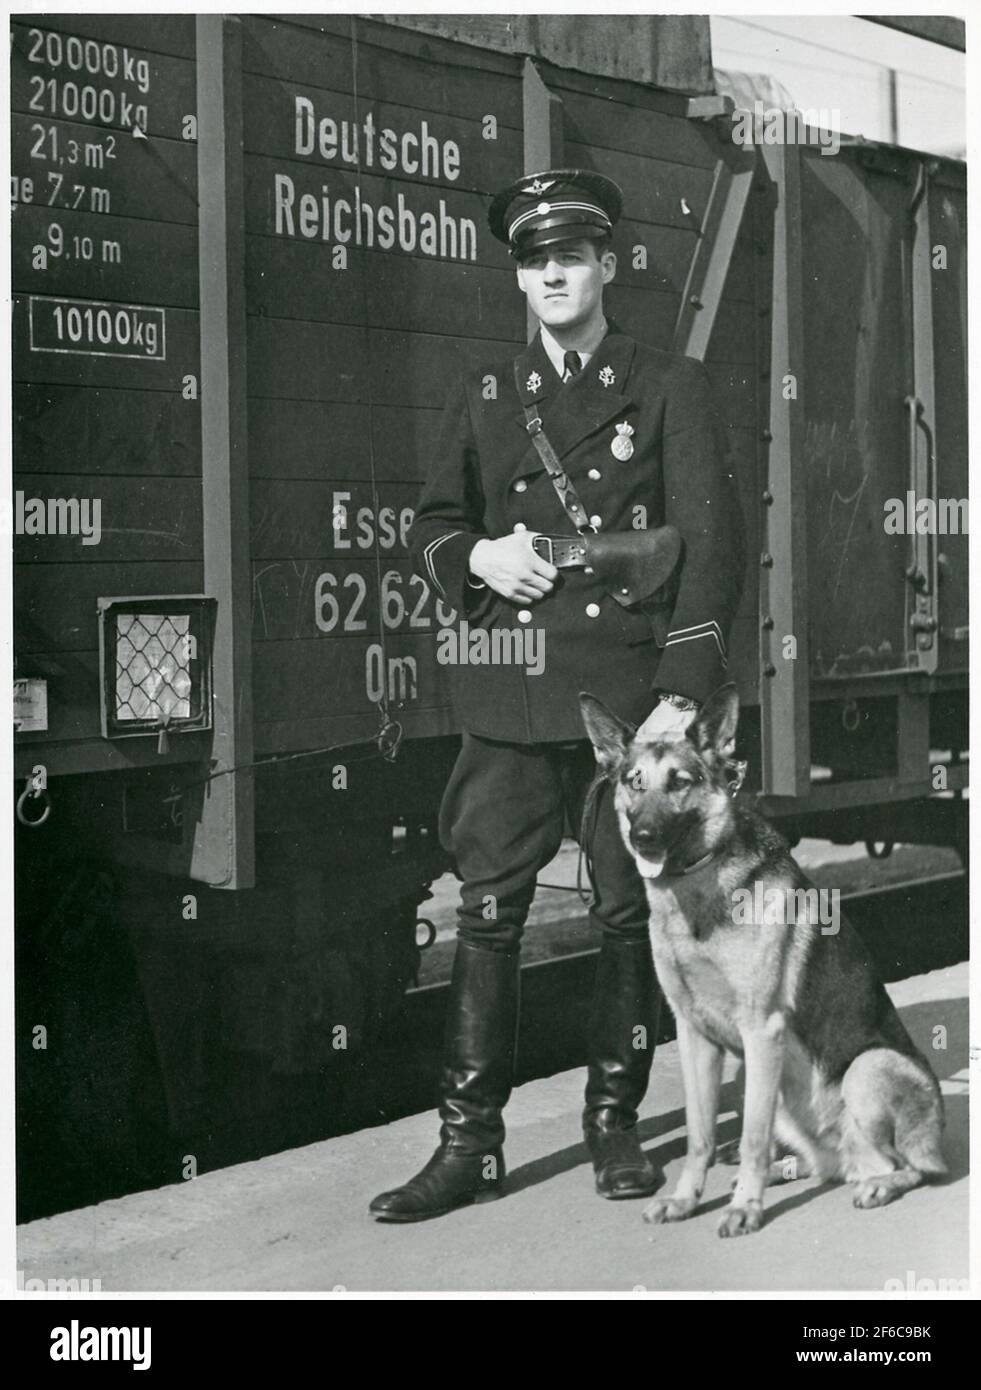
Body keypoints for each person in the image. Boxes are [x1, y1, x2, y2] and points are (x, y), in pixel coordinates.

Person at [369, 168, 744, 1221]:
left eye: (570, 257)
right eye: (534, 262)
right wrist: (481, 559)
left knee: (627, 912)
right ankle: (468, 1145)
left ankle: (614, 1125)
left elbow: (715, 549)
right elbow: (436, 524)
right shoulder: (489, 393)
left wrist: (678, 693)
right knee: (488, 911)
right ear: (518, 279)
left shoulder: (669, 383)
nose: (552, 276)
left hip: (628, 703)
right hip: (511, 695)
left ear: (607, 265)